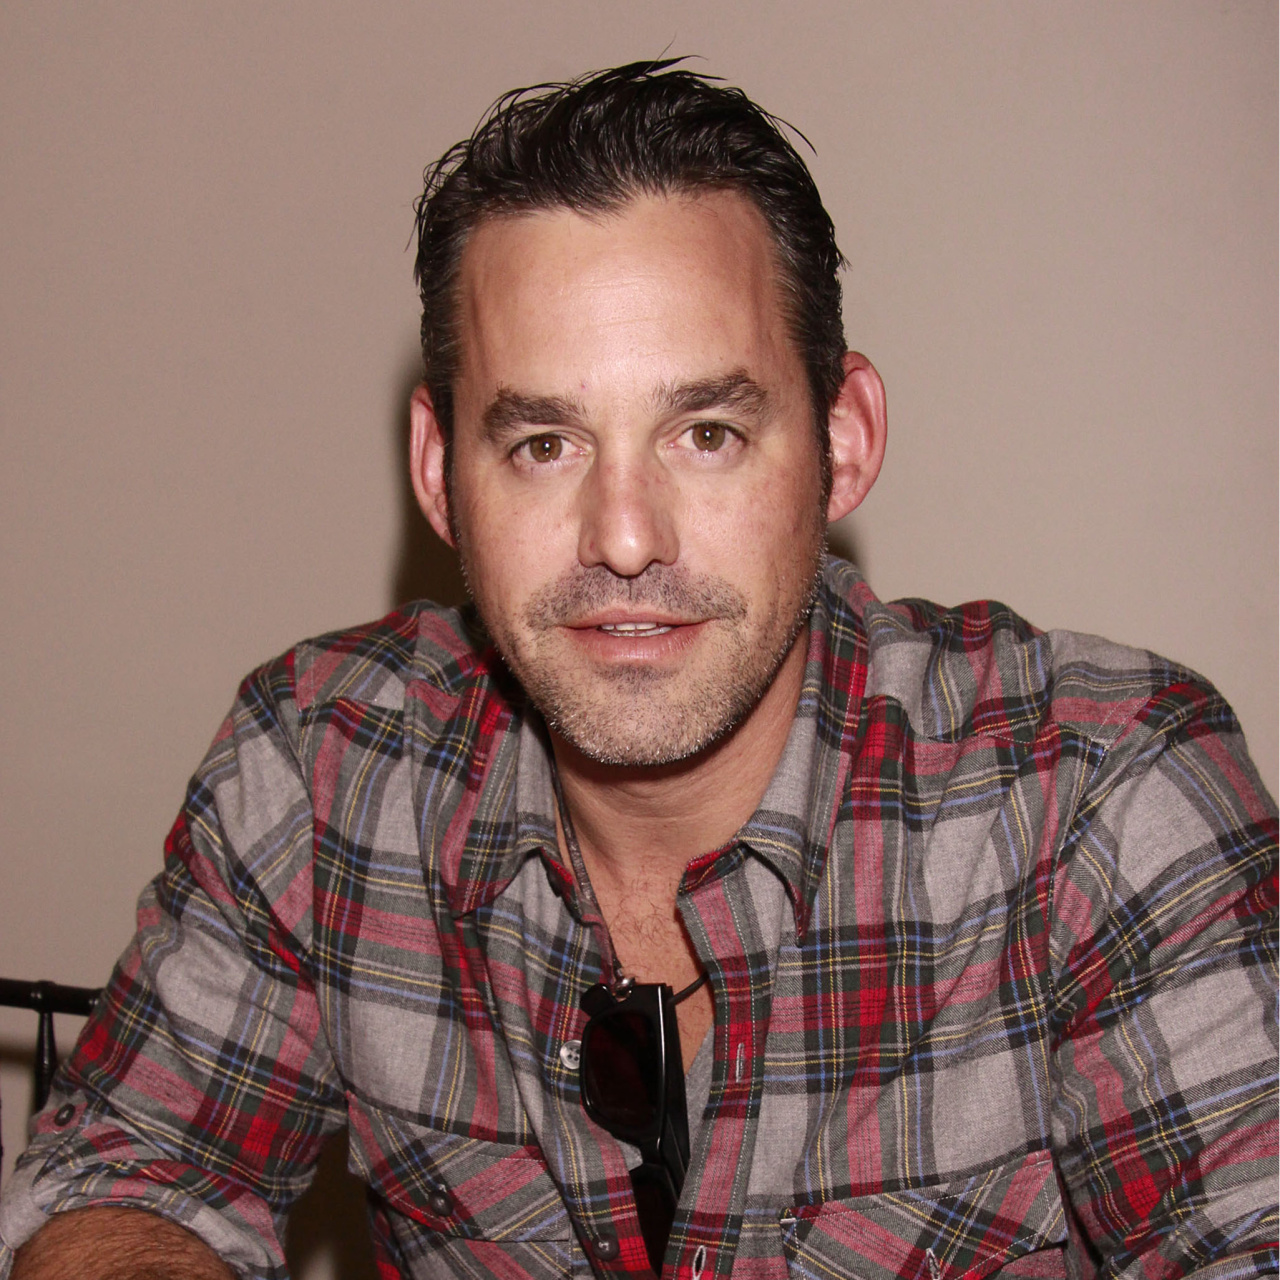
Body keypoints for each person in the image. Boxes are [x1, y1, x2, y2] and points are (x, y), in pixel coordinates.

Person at [2, 60, 1275, 1280]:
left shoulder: (1099, 794)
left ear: (841, 441)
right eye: (544, 443)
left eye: (705, 432)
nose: (623, 537)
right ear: (440, 473)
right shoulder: (321, 768)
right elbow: (127, 1176)